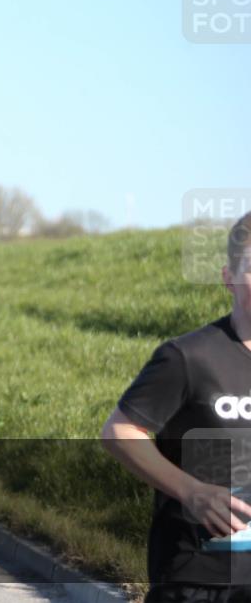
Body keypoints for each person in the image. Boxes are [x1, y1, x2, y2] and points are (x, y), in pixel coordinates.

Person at [102, 211, 251, 602]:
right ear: (228, 278)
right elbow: (120, 431)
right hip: (200, 577)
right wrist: (192, 491)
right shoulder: (188, 357)